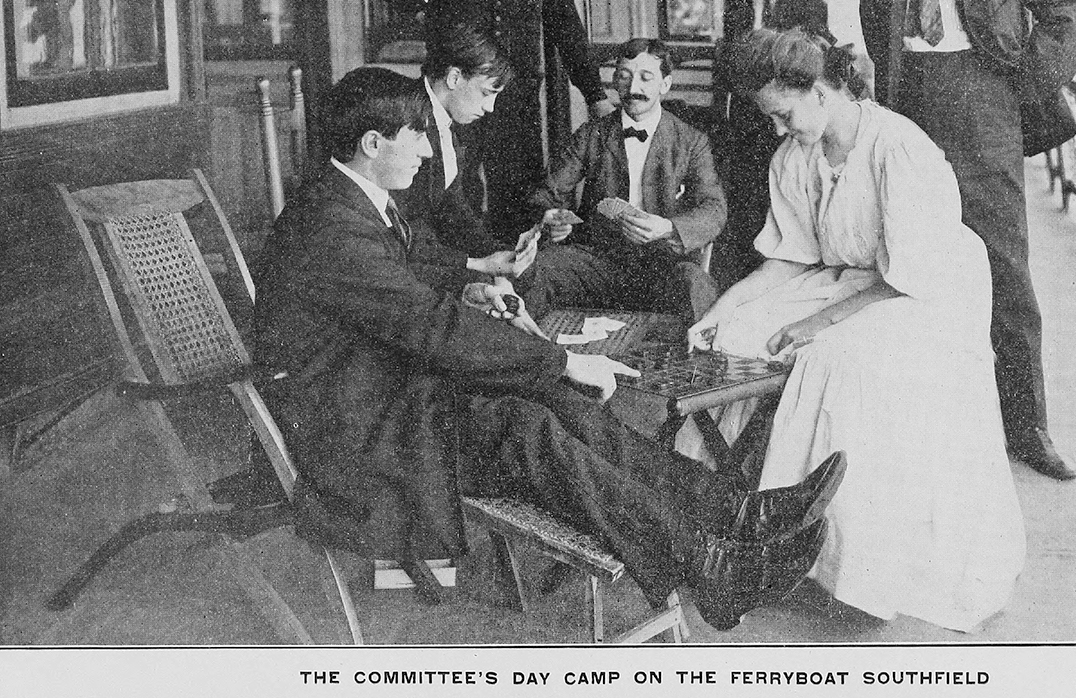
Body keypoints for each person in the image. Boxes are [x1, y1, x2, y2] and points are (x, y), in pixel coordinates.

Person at [250, 66, 845, 632]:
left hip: (387, 386)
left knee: (555, 398)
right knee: (529, 424)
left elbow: (404, 284)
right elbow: (429, 327)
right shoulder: (332, 223)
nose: (429, 153)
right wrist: (563, 358)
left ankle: (733, 510)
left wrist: (471, 283)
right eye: (418, 139)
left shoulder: (351, 200)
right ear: (373, 143)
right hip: (354, 424)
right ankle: (707, 566)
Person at [679, 29, 1026, 632]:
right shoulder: (796, 154)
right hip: (846, 277)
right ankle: (715, 520)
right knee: (734, 337)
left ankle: (838, 560)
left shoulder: (898, 148)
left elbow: (906, 273)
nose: (778, 131)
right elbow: (790, 255)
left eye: (784, 115)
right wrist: (722, 309)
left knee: (833, 361)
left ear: (819, 90)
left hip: (924, 289)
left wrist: (812, 321)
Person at [859, 0, 1076, 482]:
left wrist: (1026, 86)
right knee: (910, 264)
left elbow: (1069, 12)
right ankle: (933, 422)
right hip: (912, 121)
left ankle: (1028, 427)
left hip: (985, 112)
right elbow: (881, 54)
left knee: (1003, 269)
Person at [370, 0, 614, 242]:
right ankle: (461, 272)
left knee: (519, 195)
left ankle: (513, 276)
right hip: (454, 96)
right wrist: (423, 13)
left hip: (516, 98)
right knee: (452, 187)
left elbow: (565, 25)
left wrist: (594, 92)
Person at [714, 0, 866, 285]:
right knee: (749, 217)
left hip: (803, 113)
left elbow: (844, 46)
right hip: (748, 115)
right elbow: (729, 42)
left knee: (803, 216)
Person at [525, 38, 726, 321]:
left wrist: (668, 228)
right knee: (539, 268)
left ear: (665, 85)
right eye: (624, 77)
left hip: (663, 265)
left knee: (696, 286)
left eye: (646, 78)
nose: (634, 89)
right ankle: (537, 358)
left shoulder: (692, 142)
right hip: (597, 262)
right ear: (615, 81)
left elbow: (714, 209)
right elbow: (547, 192)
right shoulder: (591, 134)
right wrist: (549, 216)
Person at [389, 20, 538, 289]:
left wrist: (500, 254)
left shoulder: (450, 121)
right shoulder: (405, 120)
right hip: (398, 261)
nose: (490, 108)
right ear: (454, 78)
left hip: (425, 254)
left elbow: (453, 210)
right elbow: (404, 230)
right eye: (486, 92)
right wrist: (476, 264)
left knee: (521, 281)